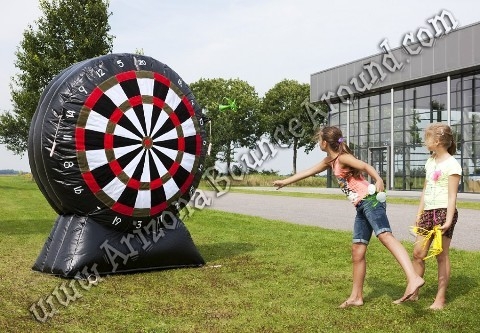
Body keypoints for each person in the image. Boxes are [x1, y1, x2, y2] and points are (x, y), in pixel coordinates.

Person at [272, 126, 424, 308]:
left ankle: (413, 278)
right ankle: (356, 297)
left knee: (385, 236)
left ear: (325, 142)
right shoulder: (330, 161)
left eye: (318, 140)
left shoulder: (343, 158)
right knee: (357, 252)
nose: (317, 143)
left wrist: (378, 179)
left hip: (371, 200)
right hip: (361, 206)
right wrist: (284, 182)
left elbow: (365, 166)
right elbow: (307, 172)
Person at [395, 123, 461, 310]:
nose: (424, 142)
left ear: (438, 141)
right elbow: (425, 189)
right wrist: (419, 213)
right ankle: (413, 292)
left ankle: (440, 299)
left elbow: (452, 196)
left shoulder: (452, 165)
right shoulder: (430, 161)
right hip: (427, 213)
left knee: (441, 255)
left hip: (443, 212)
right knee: (418, 253)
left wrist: (448, 220)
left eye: (427, 139)